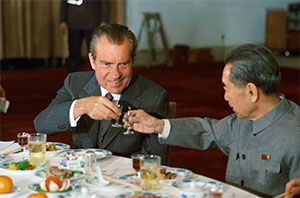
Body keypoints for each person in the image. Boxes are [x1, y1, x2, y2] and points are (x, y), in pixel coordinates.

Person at [124, 44, 300, 196]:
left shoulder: (295, 135)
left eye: (227, 88)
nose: (225, 97)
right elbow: (208, 131)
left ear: (251, 92)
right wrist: (158, 126)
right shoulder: (242, 121)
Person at [34, 24, 170, 164]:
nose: (115, 75)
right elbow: (41, 125)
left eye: (123, 64)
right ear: (92, 61)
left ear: (133, 60)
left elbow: (154, 165)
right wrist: (80, 106)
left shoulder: (154, 97)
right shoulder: (75, 83)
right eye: (107, 64)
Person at [60, 0, 110, 73]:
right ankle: (72, 76)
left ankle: (95, 76)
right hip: (73, 23)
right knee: (73, 53)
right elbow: (64, 4)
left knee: (93, 53)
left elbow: (104, 3)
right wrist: (63, 21)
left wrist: (104, 20)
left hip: (92, 23)